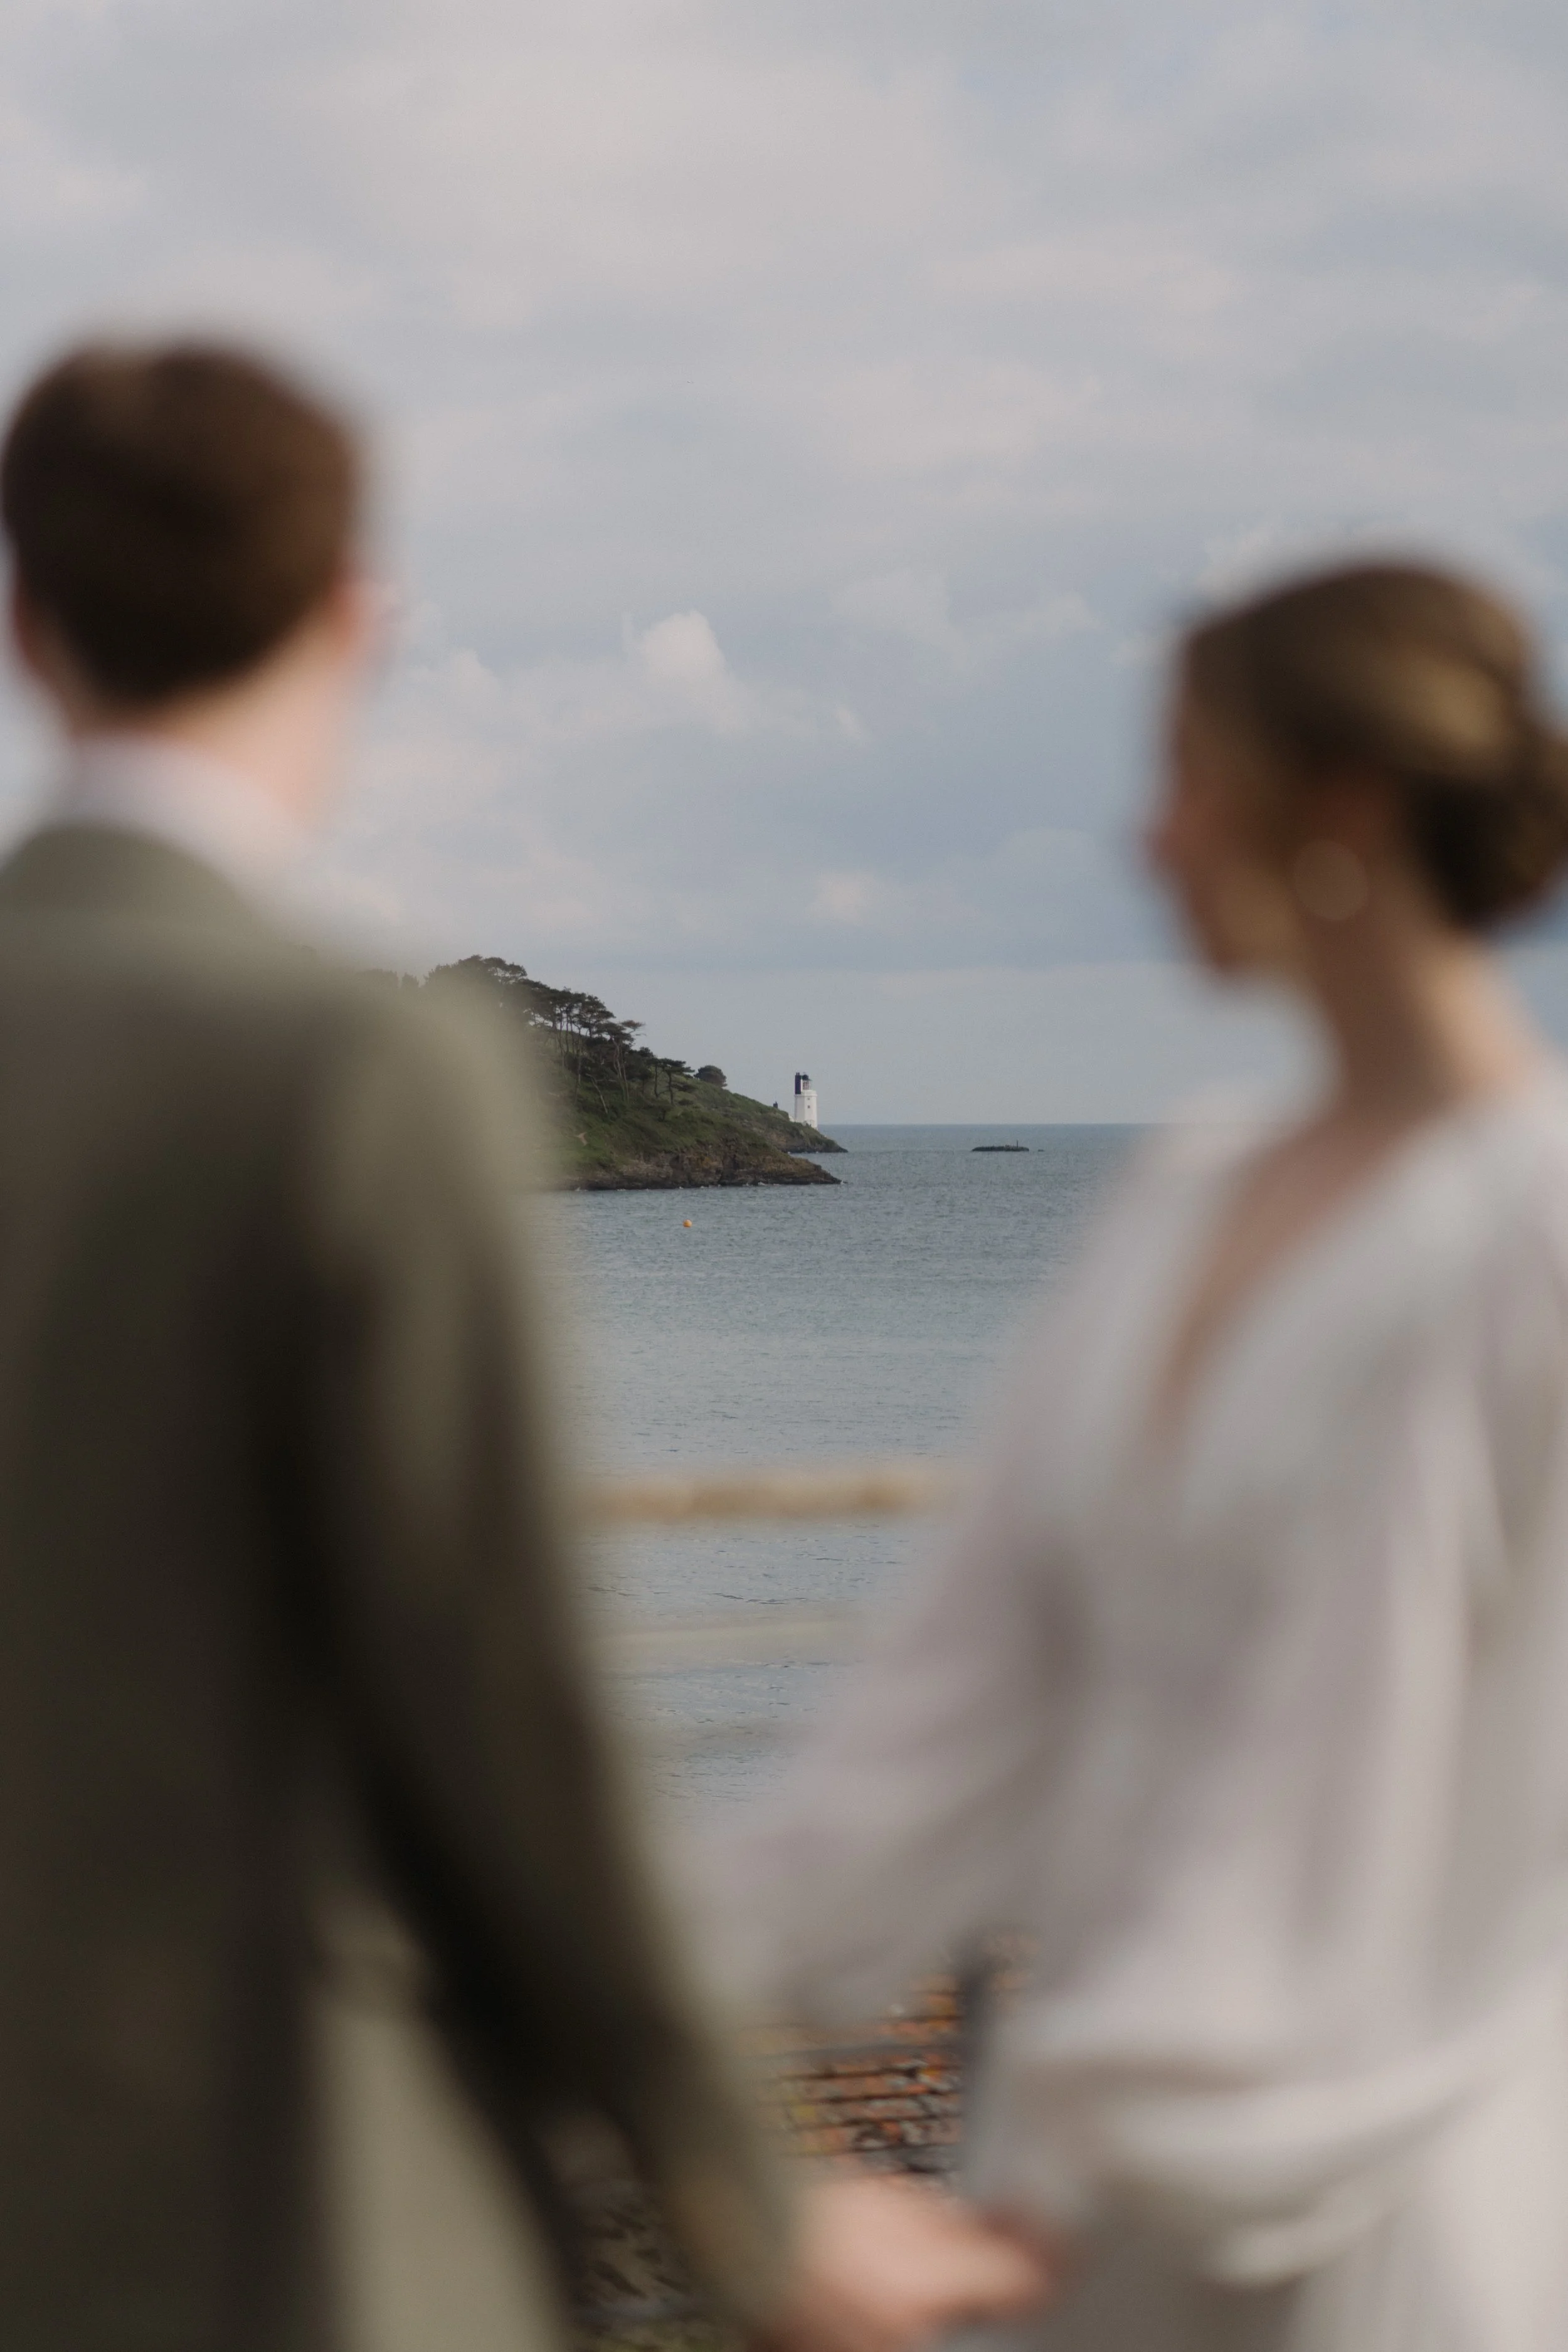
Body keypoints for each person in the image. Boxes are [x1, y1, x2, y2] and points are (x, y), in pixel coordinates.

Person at [0, 339, 1056, 2352]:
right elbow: (497, 1695)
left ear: (24, 616)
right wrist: (742, 2198)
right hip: (283, 2184)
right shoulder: (360, 1069)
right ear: (351, 618)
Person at [719, 561, 1568, 2350]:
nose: (1149, 839)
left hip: (1390, 2242)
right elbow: (928, 1733)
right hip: (1072, 2229)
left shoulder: (1534, 1236)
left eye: (1186, 777)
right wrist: (625, 2015)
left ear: (1337, 808)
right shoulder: (1176, 1197)